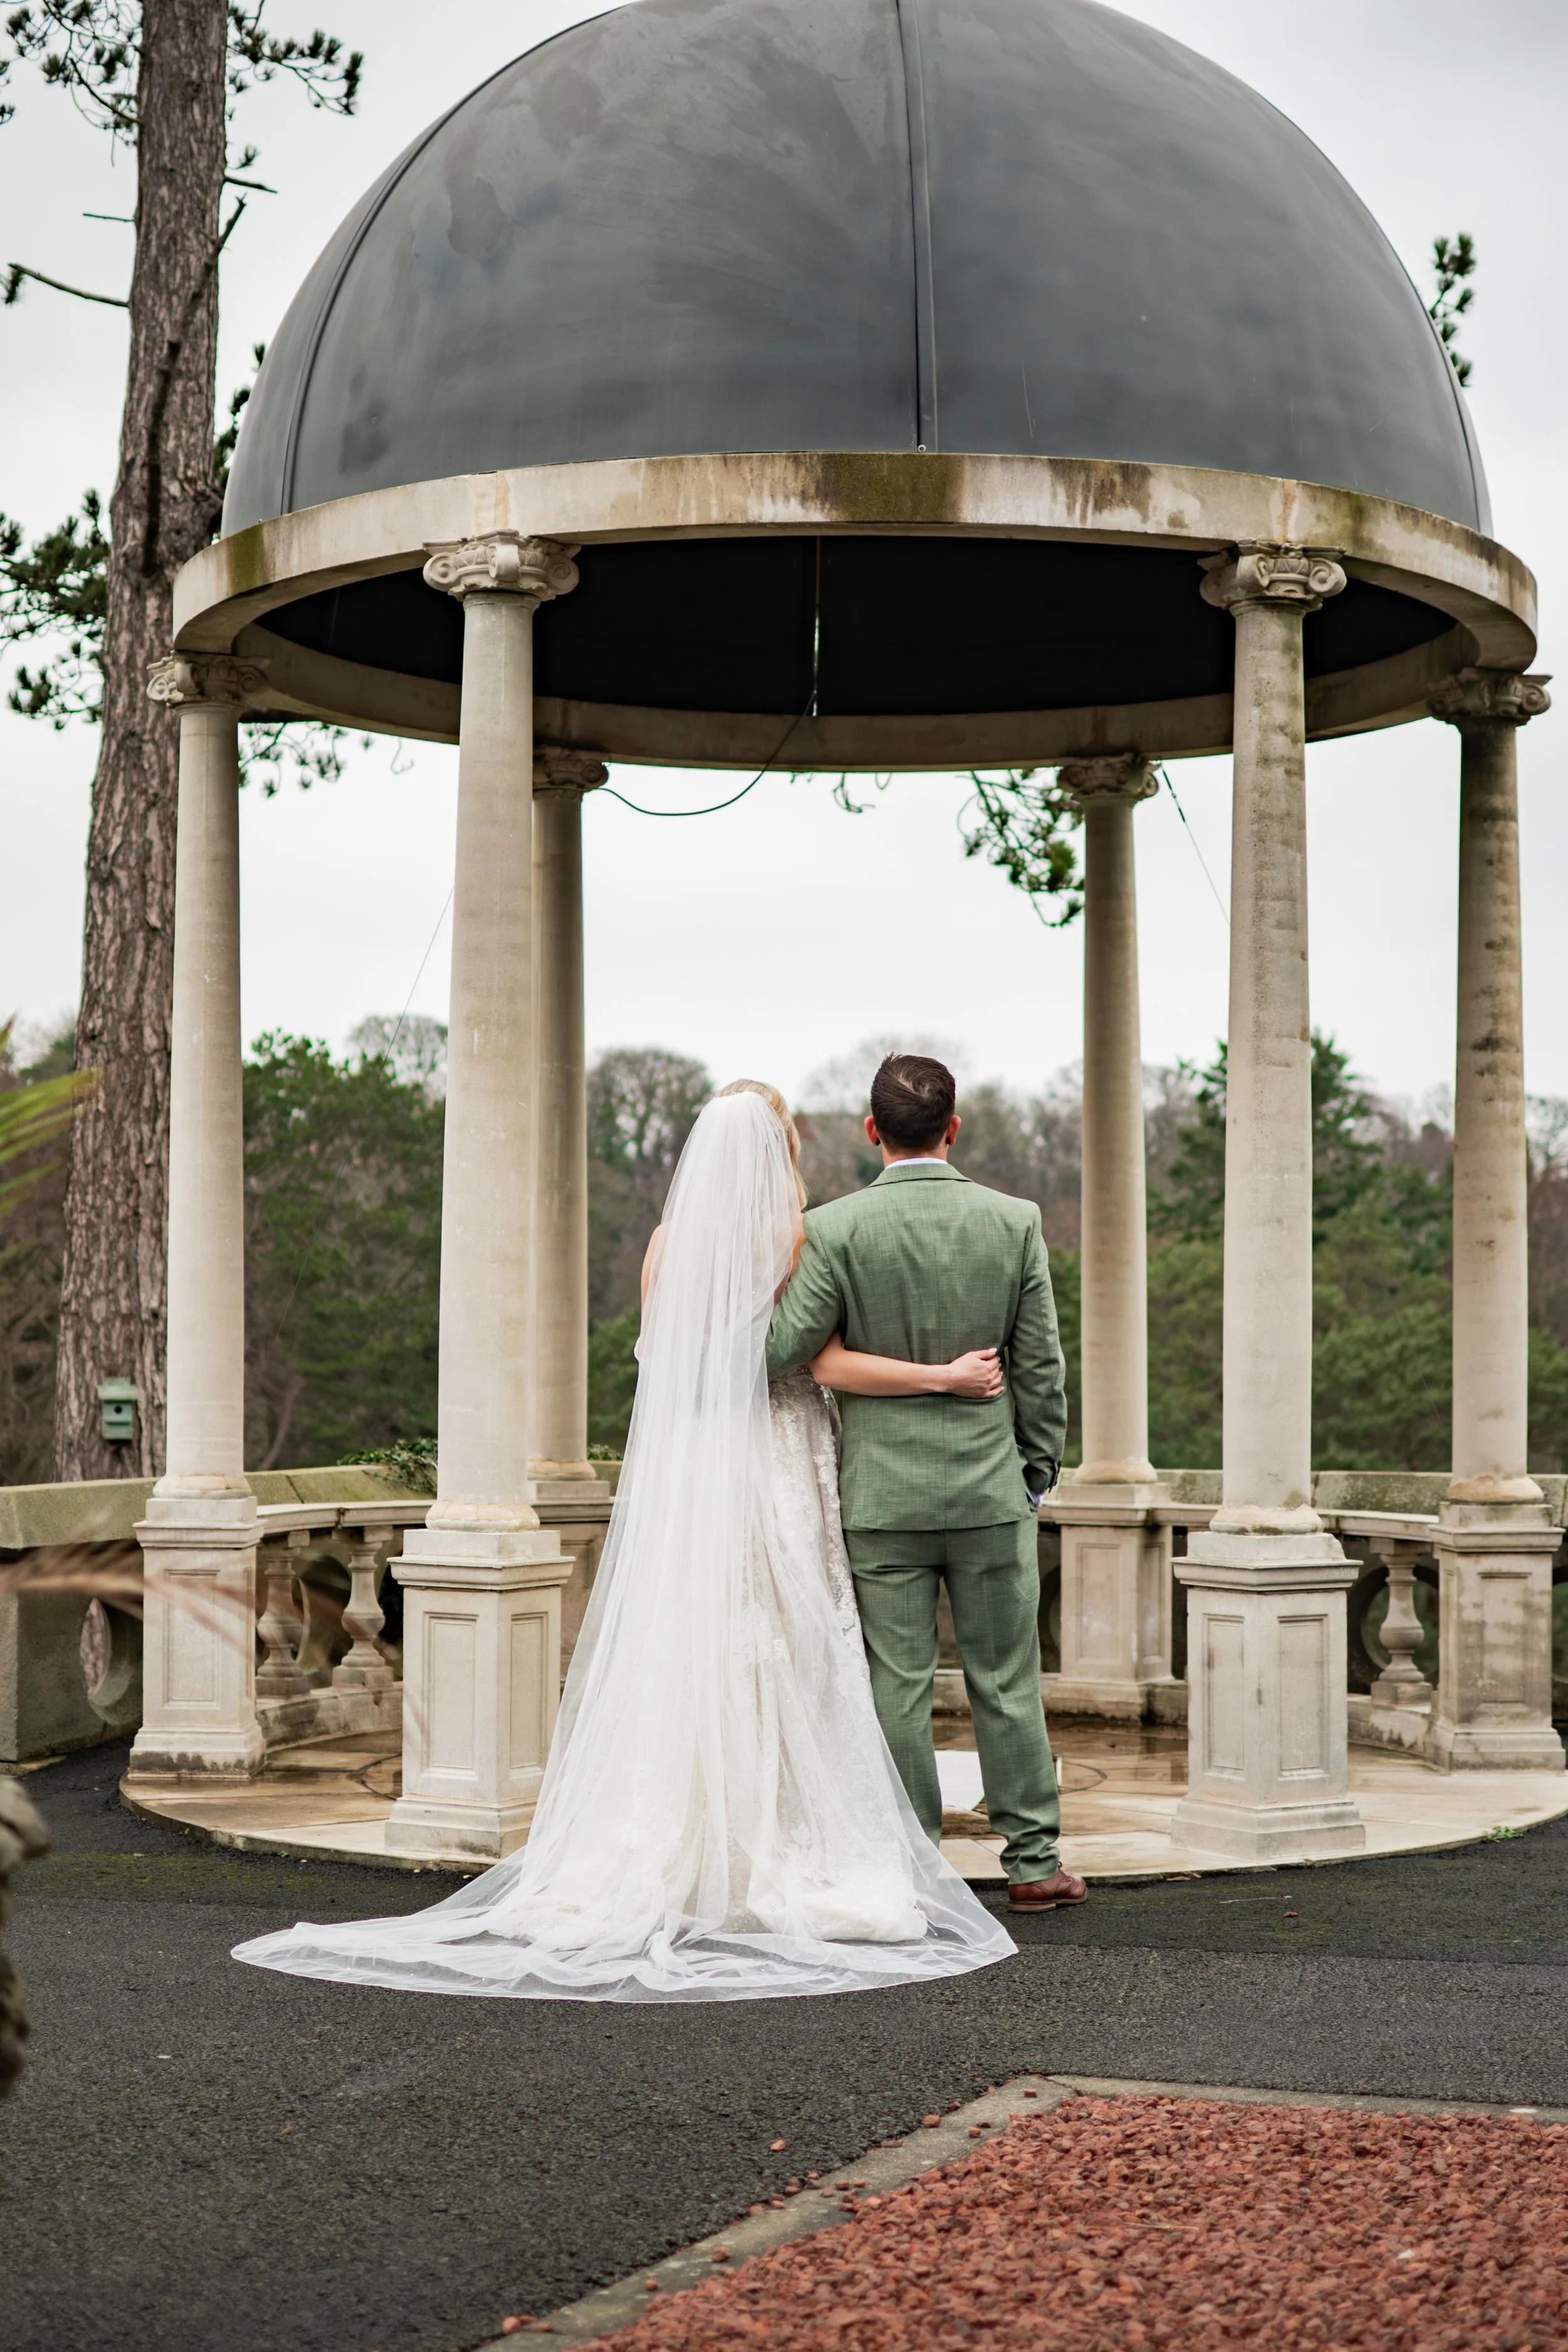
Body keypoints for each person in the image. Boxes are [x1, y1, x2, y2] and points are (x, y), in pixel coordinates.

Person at [233, 1080, 1014, 2001]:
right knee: (785, 1632)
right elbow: (818, 1361)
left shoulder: (664, 1243)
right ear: (781, 1152)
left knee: (689, 1635)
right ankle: (777, 1834)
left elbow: (656, 1361)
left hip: (690, 1461)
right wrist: (944, 1377)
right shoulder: (798, 1239)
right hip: (773, 1452)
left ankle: (673, 1835)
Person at [767, 1052, 1086, 1915]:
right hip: (989, 1494)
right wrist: (1034, 1474)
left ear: (871, 1130)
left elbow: (780, 1350)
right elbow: (1042, 1369)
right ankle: (1033, 1863)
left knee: (897, 1686)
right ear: (954, 1127)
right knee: (1006, 1682)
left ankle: (913, 1870)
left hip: (881, 1499)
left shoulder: (834, 1229)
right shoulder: (1014, 1221)